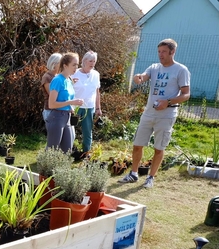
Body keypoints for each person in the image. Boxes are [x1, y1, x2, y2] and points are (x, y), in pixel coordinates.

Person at [119, 38, 190, 188]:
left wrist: (168, 102)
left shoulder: (181, 70)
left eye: (164, 51)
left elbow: (186, 94)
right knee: (137, 144)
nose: (160, 54)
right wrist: (138, 78)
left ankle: (150, 177)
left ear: (172, 52)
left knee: (159, 148)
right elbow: (143, 77)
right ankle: (133, 174)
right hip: (148, 113)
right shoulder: (154, 67)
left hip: (167, 115)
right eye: (159, 51)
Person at [46, 52, 84, 152]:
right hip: (57, 117)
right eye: (74, 65)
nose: (76, 67)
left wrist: (71, 107)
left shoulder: (68, 80)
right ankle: (46, 167)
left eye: (77, 64)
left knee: (67, 149)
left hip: (66, 117)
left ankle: (61, 167)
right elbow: (52, 104)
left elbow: (65, 99)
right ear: (65, 65)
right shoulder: (57, 80)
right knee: (52, 150)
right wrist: (71, 102)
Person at [72, 50, 102, 154]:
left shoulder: (96, 74)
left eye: (94, 61)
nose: (92, 63)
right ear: (84, 61)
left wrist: (98, 108)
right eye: (90, 61)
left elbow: (97, 92)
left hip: (89, 107)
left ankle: (86, 152)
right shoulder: (75, 73)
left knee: (87, 131)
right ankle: (69, 150)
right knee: (71, 130)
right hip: (75, 106)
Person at [41, 53, 62, 122]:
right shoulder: (47, 77)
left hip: (59, 110)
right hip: (50, 111)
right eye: (60, 63)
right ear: (54, 64)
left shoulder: (58, 76)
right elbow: (52, 94)